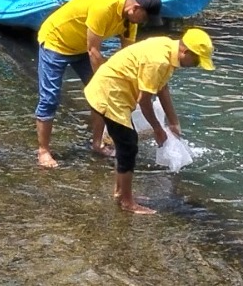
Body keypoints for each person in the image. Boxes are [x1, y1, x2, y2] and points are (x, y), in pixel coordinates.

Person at [84, 29, 215, 214]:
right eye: (197, 60)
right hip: (109, 93)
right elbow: (144, 101)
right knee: (128, 146)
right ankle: (127, 202)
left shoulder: (168, 48)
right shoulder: (159, 61)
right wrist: (158, 129)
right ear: (186, 52)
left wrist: (173, 121)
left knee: (126, 143)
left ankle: (121, 192)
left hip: (114, 89)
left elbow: (162, 87)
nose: (197, 65)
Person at [33, 0, 164, 168]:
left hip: (81, 47)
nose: (145, 22)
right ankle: (43, 151)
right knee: (50, 98)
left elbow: (127, 56)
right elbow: (93, 50)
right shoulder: (103, 8)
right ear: (135, 8)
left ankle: (96, 144)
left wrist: (133, 86)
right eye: (145, 17)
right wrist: (106, 81)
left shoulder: (130, 21)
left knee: (102, 96)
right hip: (56, 42)